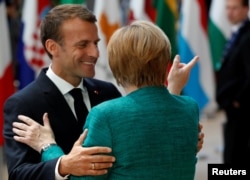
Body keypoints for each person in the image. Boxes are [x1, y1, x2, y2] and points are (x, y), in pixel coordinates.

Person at [4, 4, 203, 180]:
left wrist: (178, 131)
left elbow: (138, 137)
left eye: (96, 43)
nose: (95, 53)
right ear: (52, 47)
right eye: (83, 44)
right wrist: (61, 166)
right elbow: (19, 174)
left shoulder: (107, 92)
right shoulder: (23, 103)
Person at [216, 0, 250, 165]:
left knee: (236, 155)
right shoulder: (237, 32)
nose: (230, 13)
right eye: (227, 8)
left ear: (246, 9)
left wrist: (238, 100)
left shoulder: (248, 36)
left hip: (242, 109)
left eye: (235, 8)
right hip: (232, 108)